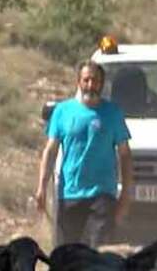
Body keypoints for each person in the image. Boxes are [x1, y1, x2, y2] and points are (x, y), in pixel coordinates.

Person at [36, 60, 134, 247]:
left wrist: (125, 197)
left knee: (95, 254)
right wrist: (42, 186)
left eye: (95, 81)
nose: (91, 85)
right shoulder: (63, 112)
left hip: (102, 196)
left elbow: (125, 155)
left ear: (102, 84)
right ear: (78, 82)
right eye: (86, 80)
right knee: (67, 253)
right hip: (69, 195)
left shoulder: (112, 113)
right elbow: (51, 150)